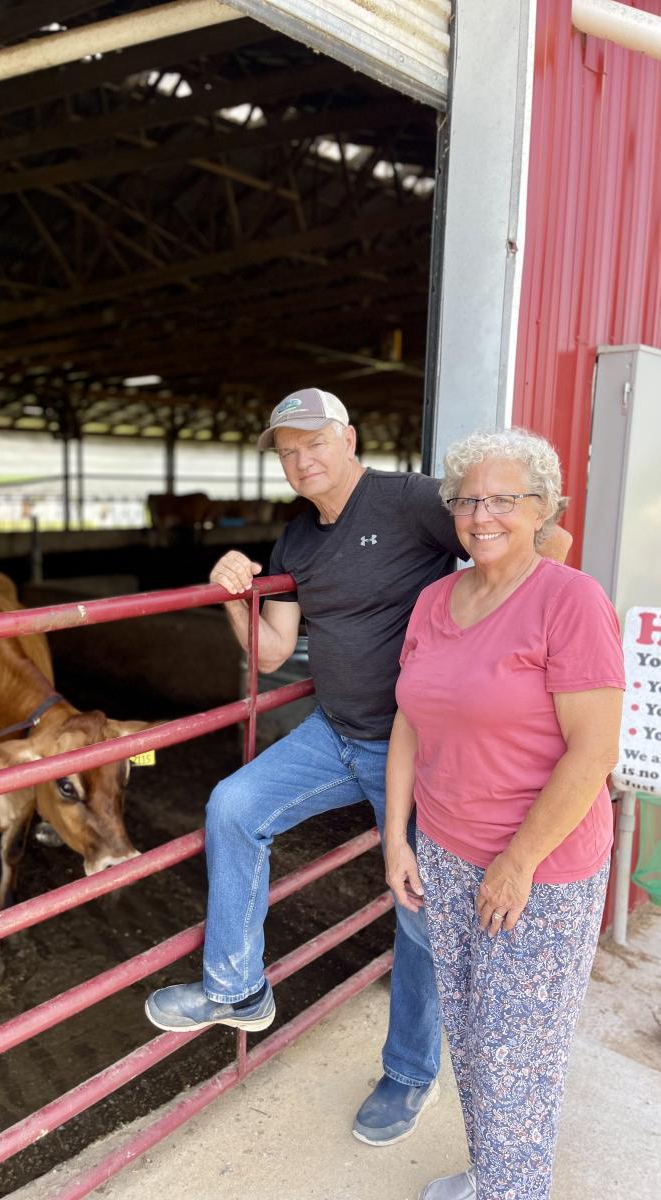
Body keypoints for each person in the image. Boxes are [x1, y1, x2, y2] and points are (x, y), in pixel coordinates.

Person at [144, 388, 573, 1145]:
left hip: (418, 746)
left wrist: (479, 639)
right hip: (333, 734)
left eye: (313, 442)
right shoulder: (299, 541)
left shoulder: (407, 501)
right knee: (232, 807)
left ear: (348, 438)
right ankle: (237, 988)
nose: (301, 460)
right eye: (286, 450)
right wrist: (232, 592)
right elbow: (273, 653)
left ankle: (409, 1073)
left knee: (416, 911)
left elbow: (539, 545)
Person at [384, 428, 623, 1199]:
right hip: (447, 853)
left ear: (544, 506)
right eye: (468, 500)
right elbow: (409, 722)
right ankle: (494, 1178)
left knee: (520, 1060)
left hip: (541, 870)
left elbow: (592, 754)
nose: (482, 515)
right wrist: (397, 839)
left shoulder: (571, 600)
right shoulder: (432, 601)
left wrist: (516, 864)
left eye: (505, 499)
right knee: (476, 1043)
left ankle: (512, 1188)